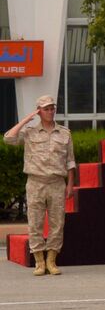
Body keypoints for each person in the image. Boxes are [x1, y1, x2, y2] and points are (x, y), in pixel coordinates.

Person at [3, 96, 76, 275]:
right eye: (46, 109)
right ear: (39, 111)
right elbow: (8, 138)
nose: (50, 112)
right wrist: (27, 119)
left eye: (52, 108)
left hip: (57, 183)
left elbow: (70, 161)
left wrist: (70, 185)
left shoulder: (64, 133)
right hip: (35, 183)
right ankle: (39, 262)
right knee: (34, 223)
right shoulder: (29, 132)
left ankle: (51, 260)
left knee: (57, 223)